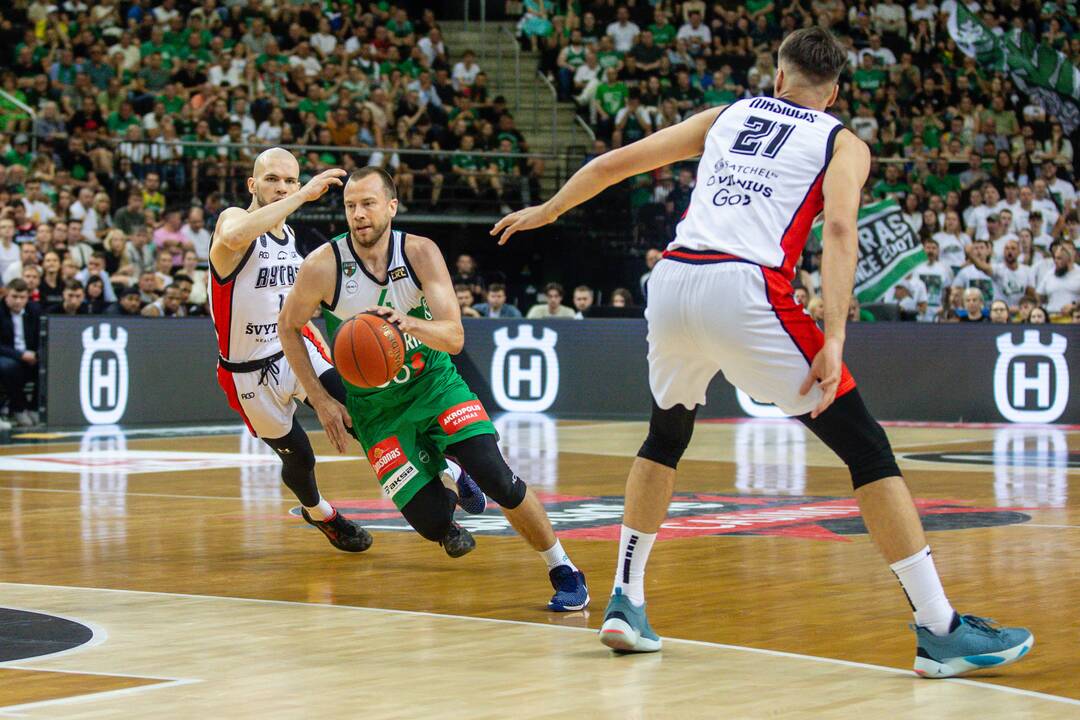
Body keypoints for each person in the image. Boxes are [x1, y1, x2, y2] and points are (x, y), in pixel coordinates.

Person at [492, 27, 1032, 676]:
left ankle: (625, 602)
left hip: (672, 280)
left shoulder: (727, 114)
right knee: (866, 448)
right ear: (833, 95)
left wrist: (549, 210)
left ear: (778, 78)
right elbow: (837, 229)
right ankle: (939, 627)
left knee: (665, 436)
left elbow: (613, 165)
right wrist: (832, 336)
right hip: (746, 287)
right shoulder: (841, 141)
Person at [279, 167, 588, 610]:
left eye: (367, 204)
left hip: (434, 385)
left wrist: (410, 324)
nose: (358, 215)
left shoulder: (419, 253)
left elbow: (455, 336)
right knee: (431, 522)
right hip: (376, 410)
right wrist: (324, 400)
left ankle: (563, 568)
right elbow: (288, 326)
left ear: (391, 206)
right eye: (350, 206)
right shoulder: (323, 266)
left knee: (497, 477)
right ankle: (449, 478)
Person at [208, 148, 380, 553]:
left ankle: (444, 481)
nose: (281, 187)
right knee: (300, 458)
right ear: (252, 185)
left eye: (290, 181)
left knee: (360, 413)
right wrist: (302, 197)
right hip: (245, 371)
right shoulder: (232, 221)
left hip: (292, 351)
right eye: (272, 179)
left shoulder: (290, 239)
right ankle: (320, 513)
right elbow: (234, 236)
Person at [0, 279, 41, 427]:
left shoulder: (34, 310)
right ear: (6, 295)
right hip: (8, 354)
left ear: (27, 298)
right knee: (8, 367)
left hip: (30, 354)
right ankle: (19, 408)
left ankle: (34, 407)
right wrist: (20, 355)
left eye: (22, 297)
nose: (18, 301)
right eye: (14, 297)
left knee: (47, 363)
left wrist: (36, 354)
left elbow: (43, 337)